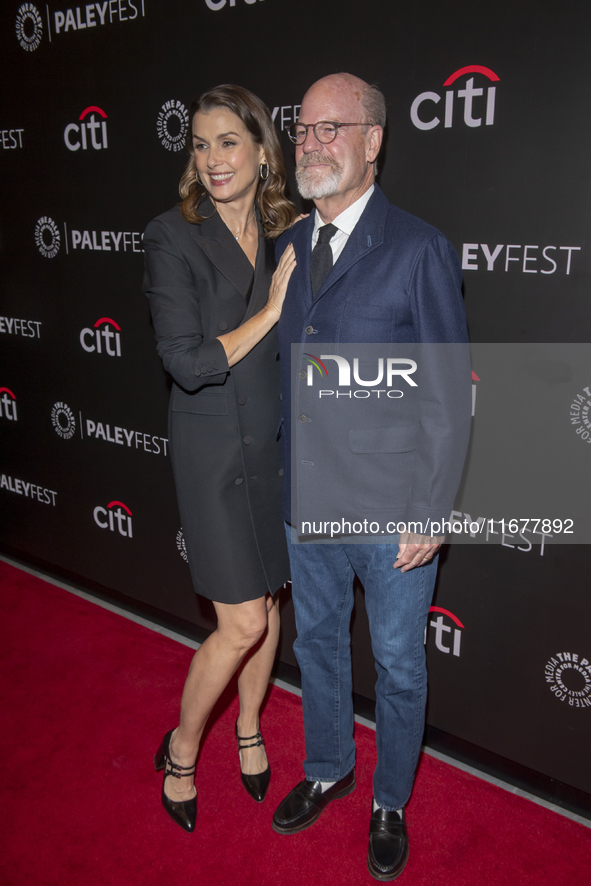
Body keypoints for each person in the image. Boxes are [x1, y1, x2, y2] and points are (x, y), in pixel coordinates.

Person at [272, 74, 471, 881]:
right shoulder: (288, 244)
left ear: (373, 141)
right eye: (303, 130)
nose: (313, 142)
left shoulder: (418, 247)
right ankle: (329, 765)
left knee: (397, 662)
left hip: (391, 508)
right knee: (315, 641)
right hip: (305, 499)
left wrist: (432, 508)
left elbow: (448, 390)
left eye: (332, 128)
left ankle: (389, 796)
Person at [143, 84, 297, 833]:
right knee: (239, 624)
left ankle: (248, 729)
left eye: (227, 142)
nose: (212, 160)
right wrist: (267, 310)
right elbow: (187, 361)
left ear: (263, 150)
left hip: (272, 447)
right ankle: (181, 747)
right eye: (199, 145)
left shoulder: (288, 233)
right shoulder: (171, 236)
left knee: (267, 611)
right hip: (210, 451)